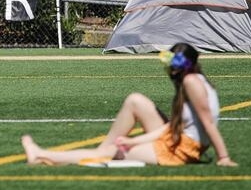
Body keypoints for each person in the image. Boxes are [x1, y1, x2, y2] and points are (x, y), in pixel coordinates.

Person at [21, 43, 237, 167]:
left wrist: (224, 157)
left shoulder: (191, 82)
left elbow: (208, 123)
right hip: (177, 139)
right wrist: (134, 140)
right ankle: (103, 148)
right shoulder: (193, 81)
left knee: (110, 153)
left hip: (182, 150)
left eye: (174, 64)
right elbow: (172, 127)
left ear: (186, 65)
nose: (171, 69)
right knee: (135, 100)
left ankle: (41, 155)